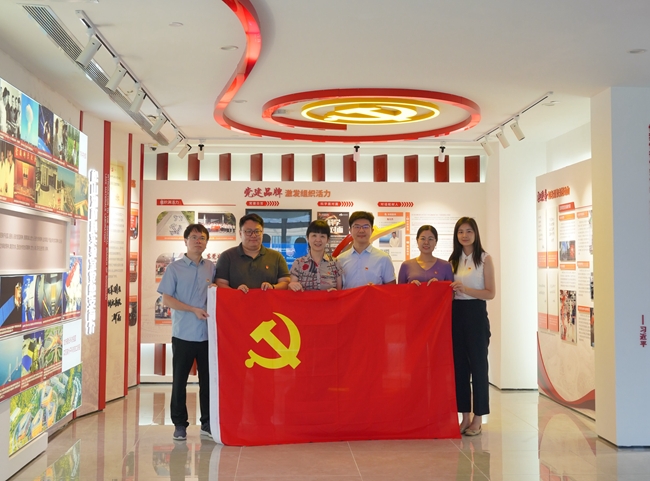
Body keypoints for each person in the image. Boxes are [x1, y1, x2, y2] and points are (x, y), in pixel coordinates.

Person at [157, 224, 215, 441]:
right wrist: (193, 309)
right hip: (183, 334)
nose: (198, 241)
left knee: (207, 382)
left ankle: (207, 423)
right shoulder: (174, 268)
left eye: (202, 238)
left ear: (206, 242)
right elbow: (167, 299)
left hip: (207, 335)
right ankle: (180, 424)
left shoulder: (211, 267)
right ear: (185, 241)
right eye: (194, 237)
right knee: (179, 381)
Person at [448, 217, 495, 436]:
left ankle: (478, 417)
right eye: (460, 232)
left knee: (478, 367)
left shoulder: (485, 259)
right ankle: (464, 416)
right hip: (455, 314)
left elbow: (490, 293)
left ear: (476, 234)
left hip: (476, 314)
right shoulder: (452, 260)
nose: (464, 235)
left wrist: (465, 289)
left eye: (469, 231)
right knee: (459, 368)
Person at [215, 213, 290, 292]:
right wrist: (236, 293)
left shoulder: (276, 257)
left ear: (262, 233)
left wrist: (273, 287)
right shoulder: (227, 256)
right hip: (236, 300)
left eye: (257, 231)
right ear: (240, 233)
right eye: (248, 231)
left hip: (268, 300)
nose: (253, 235)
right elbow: (220, 283)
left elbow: (286, 282)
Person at [337, 211, 396, 289]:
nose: (361, 230)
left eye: (365, 226)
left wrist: (377, 289)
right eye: (357, 226)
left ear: (372, 230)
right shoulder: (340, 259)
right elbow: (337, 289)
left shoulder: (384, 258)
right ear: (350, 230)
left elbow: (392, 289)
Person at [288, 220, 342, 291]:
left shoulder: (335, 263)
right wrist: (291, 285)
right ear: (307, 238)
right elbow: (291, 291)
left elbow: (340, 292)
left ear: (328, 239)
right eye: (314, 235)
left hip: (330, 299)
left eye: (322, 236)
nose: (318, 240)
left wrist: (335, 292)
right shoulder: (298, 263)